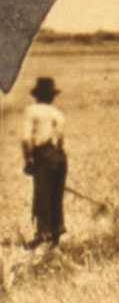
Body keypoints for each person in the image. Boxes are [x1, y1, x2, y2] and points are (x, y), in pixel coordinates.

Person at [20, 75, 67, 248]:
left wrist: (28, 160)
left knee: (42, 195)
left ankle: (42, 235)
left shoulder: (31, 111)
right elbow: (60, 139)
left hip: (43, 155)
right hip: (59, 157)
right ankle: (55, 235)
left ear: (36, 95)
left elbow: (26, 139)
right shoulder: (57, 113)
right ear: (52, 96)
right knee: (56, 195)